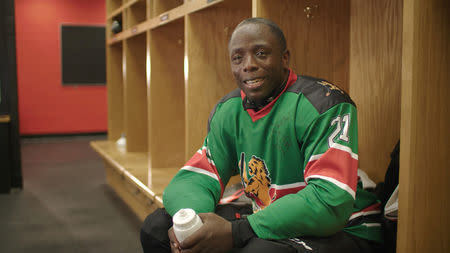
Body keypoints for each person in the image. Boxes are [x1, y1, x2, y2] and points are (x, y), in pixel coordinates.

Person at [140, 17, 383, 253]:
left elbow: (330, 202)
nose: (248, 65)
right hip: (268, 216)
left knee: (260, 249)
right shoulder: (230, 109)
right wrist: (193, 223)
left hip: (345, 226)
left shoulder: (324, 103)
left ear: (284, 58)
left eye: (261, 53)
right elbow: (197, 178)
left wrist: (237, 232)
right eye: (238, 58)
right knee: (157, 228)